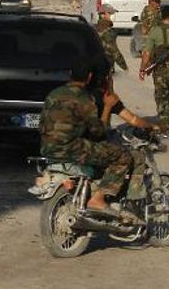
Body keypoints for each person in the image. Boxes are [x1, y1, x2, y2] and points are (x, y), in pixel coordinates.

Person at [39, 52, 135, 214]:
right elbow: (98, 132)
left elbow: (42, 124)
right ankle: (98, 199)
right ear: (90, 77)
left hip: (47, 149)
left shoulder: (53, 94)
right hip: (73, 150)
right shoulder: (85, 99)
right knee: (123, 156)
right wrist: (107, 107)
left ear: (70, 74)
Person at [139, 5, 169, 138]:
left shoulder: (154, 31)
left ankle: (165, 128)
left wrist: (142, 68)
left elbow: (147, 52)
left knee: (162, 99)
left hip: (160, 70)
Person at [95, 5, 128, 72]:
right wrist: (124, 67)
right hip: (105, 65)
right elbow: (114, 51)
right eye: (110, 14)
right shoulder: (107, 31)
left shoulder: (95, 28)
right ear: (102, 15)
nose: (112, 16)